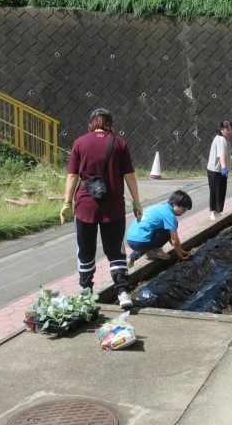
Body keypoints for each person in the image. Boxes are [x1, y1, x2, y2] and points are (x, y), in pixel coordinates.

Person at [60, 108, 142, 308]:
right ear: (109, 123)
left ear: (91, 123)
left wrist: (67, 203)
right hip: (113, 206)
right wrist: (137, 201)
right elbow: (129, 176)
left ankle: (86, 292)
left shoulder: (80, 143)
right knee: (115, 251)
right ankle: (122, 292)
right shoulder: (119, 143)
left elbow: (72, 176)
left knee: (85, 251)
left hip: (85, 206)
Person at [126, 190, 192, 267]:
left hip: (131, 240)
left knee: (151, 234)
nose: (185, 212)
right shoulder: (169, 215)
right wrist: (180, 256)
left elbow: (170, 239)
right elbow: (174, 240)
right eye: (184, 209)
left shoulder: (160, 207)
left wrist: (180, 250)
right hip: (141, 242)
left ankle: (132, 257)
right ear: (174, 204)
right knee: (171, 227)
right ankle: (154, 251)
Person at [207, 120, 232, 220]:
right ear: (222, 130)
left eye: (231, 129)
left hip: (220, 170)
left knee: (221, 191)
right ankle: (213, 213)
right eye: (227, 129)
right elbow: (221, 156)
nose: (230, 131)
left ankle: (218, 211)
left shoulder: (225, 140)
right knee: (215, 191)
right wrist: (224, 168)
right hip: (216, 170)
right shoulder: (221, 140)